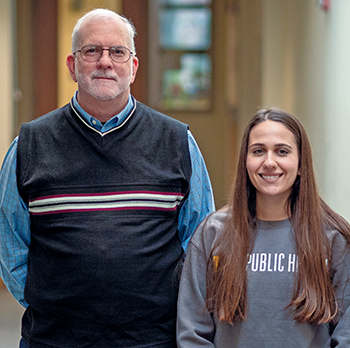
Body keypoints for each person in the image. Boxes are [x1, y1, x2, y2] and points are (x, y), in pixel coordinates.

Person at [0, 8, 215, 348]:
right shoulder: (29, 145)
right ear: (72, 65)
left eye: (117, 51)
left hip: (153, 340)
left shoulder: (177, 142)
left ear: (133, 67)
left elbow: (200, 243)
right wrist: (56, 306)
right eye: (91, 51)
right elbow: (9, 245)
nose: (105, 61)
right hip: (54, 340)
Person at [177, 108, 350, 347]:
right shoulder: (212, 234)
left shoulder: (333, 237)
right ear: (245, 161)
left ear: (300, 163)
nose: (269, 162)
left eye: (282, 151)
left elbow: (346, 333)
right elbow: (192, 333)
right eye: (258, 151)